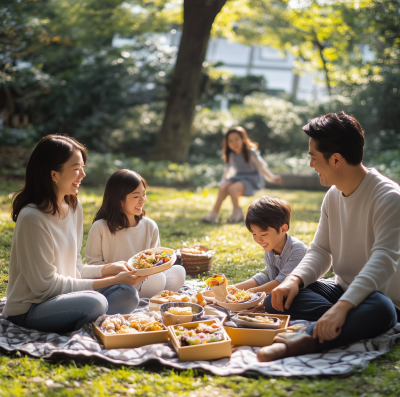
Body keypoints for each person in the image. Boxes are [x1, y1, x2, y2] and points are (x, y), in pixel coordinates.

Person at [257, 112, 400, 362]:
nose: (310, 164)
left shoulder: (389, 198)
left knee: (381, 309)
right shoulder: (333, 195)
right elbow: (321, 250)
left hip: (384, 299)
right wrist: (293, 280)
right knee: (277, 298)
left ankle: (307, 339)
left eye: (313, 157)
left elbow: (384, 259)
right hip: (341, 291)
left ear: (335, 159)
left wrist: (345, 307)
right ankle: (344, 323)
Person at [4, 135, 146, 333]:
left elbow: (75, 267)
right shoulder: (32, 217)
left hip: (66, 298)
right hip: (31, 309)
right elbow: (44, 287)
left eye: (83, 167)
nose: (83, 174)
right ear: (54, 175)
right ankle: (91, 319)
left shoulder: (74, 207)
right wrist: (113, 280)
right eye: (76, 168)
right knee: (95, 302)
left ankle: (85, 319)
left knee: (128, 294)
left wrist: (109, 269)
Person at [85, 169, 186, 299]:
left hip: (148, 278)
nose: (142, 200)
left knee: (178, 272)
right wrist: (118, 275)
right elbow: (93, 265)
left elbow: (155, 261)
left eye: (144, 194)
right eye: (136, 196)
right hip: (117, 283)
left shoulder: (150, 226)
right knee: (157, 279)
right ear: (119, 200)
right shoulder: (100, 227)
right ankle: (148, 296)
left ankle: (151, 296)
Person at [202, 126, 281, 224]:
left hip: (252, 179)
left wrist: (272, 178)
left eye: (236, 139)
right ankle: (213, 215)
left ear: (243, 139)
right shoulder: (231, 155)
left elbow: (262, 168)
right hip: (238, 177)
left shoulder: (250, 152)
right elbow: (227, 170)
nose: (234, 143)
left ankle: (237, 212)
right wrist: (223, 181)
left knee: (232, 188)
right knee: (223, 187)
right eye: (230, 141)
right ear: (227, 143)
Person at [234, 196, 307, 294]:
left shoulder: (297, 251)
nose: (258, 239)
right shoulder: (271, 248)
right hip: (281, 292)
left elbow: (281, 283)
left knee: (268, 301)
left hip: (304, 293)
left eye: (263, 234)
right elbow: (268, 275)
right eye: (254, 234)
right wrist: (234, 288)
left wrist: (247, 293)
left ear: (283, 229)